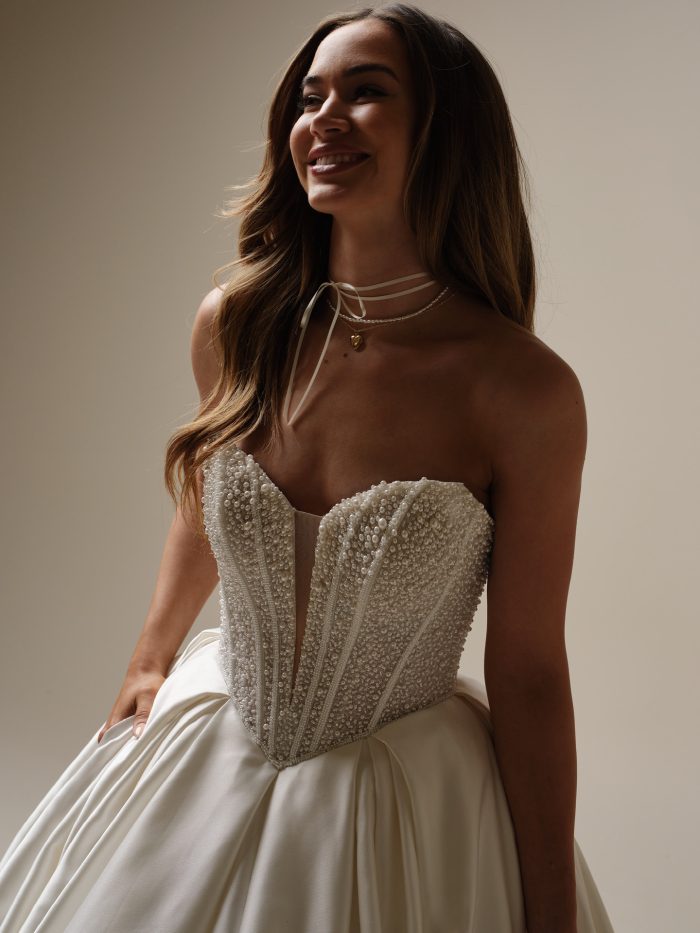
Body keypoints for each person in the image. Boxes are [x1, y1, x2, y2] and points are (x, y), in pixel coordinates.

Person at [0, 4, 617, 931]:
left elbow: (529, 669)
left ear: (448, 132)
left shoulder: (521, 390)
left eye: (367, 93)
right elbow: (213, 497)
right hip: (213, 735)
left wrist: (550, 911)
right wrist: (149, 655)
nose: (323, 118)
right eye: (309, 95)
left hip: (403, 788)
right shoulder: (237, 323)